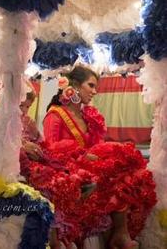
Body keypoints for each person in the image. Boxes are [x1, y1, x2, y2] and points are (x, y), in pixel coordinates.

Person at [38, 65, 156, 248]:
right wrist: (84, 158)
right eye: (91, 86)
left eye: (96, 88)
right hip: (69, 172)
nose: (94, 92)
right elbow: (52, 153)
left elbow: (97, 147)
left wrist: (96, 158)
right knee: (113, 176)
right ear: (74, 86)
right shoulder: (55, 115)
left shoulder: (88, 116)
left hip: (92, 167)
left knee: (129, 167)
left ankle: (121, 232)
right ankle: (120, 233)